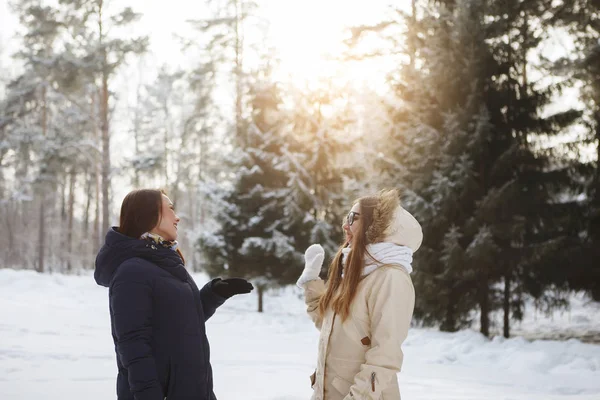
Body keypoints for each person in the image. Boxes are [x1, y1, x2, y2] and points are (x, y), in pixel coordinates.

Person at [94, 189, 253, 400]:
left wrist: (213, 293)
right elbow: (133, 345)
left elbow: (180, 321)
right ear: (150, 214)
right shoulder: (132, 271)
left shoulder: (164, 261)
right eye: (170, 209)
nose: (177, 217)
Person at [297, 189, 422, 400]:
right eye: (346, 217)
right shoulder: (353, 273)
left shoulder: (390, 277)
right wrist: (311, 283)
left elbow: (385, 356)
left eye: (353, 217)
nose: (345, 225)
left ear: (375, 227)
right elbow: (331, 327)